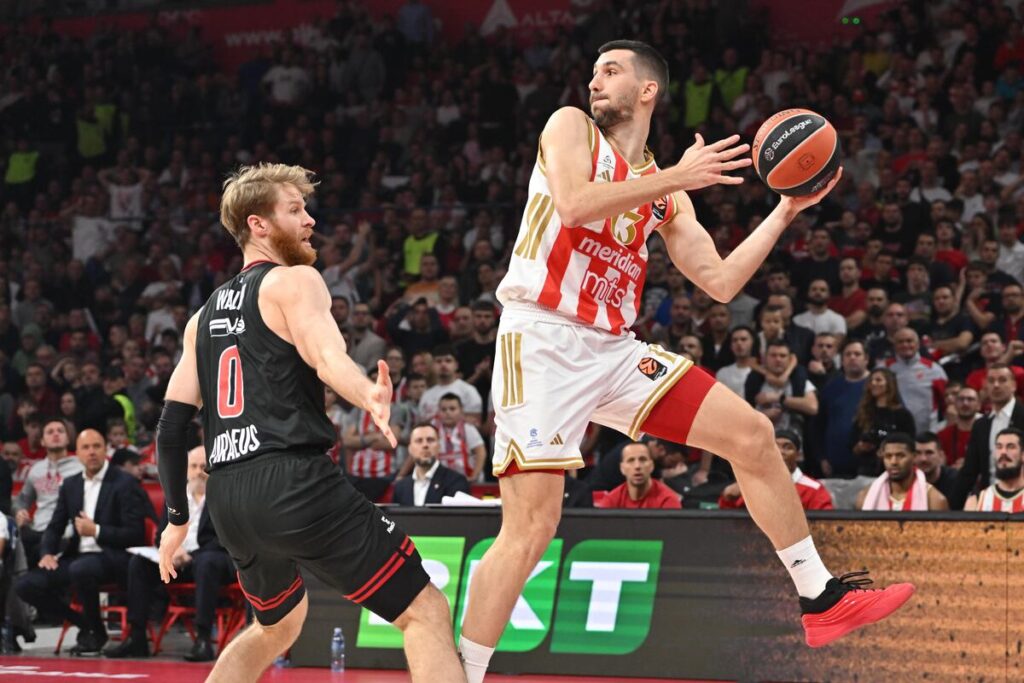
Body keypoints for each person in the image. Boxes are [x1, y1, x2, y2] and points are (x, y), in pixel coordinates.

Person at [459, 41, 911, 682]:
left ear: (647, 90)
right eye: (593, 72)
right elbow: (574, 205)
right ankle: (463, 674)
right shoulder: (571, 128)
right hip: (542, 338)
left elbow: (721, 282)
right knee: (532, 528)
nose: (595, 82)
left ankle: (820, 597)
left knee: (753, 436)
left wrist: (785, 210)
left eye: (610, 72)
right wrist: (677, 176)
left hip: (611, 349)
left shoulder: (668, 196)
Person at [155, 163, 464, 683]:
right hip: (293, 481)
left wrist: (178, 518)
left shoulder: (201, 316)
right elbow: (326, 357)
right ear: (258, 225)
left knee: (276, 625)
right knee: (424, 609)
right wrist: (367, 391)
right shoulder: (294, 281)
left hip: (230, 496)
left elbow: (170, 428)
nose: (310, 220)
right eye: (294, 210)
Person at [15, 429, 147, 655]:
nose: (92, 452)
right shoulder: (71, 485)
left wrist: (96, 530)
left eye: (96, 446)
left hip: (113, 557)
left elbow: (135, 533)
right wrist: (47, 552)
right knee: (26, 585)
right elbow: (55, 526)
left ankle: (94, 632)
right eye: (86, 448)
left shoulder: (124, 483)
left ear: (105, 450)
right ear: (77, 454)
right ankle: (87, 625)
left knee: (81, 569)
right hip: (77, 557)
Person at [106, 446, 233, 661]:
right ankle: (136, 637)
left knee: (207, 562)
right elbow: (160, 535)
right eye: (193, 466)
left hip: (212, 560)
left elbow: (227, 537)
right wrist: (173, 549)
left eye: (204, 466)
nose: (199, 471)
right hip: (178, 561)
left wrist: (193, 555)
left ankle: (203, 639)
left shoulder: (225, 495)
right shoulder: (175, 496)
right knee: (139, 563)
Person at [12, 418, 83, 567]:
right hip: (37, 530)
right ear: (43, 441)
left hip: (66, 533)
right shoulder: (36, 470)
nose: (56, 434)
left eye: (60, 431)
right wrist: (20, 511)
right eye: (50, 432)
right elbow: (21, 500)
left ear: (67, 439)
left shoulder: (81, 467)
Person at [952, 364, 1024, 509]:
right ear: (985, 387)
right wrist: (952, 508)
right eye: (991, 381)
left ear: (1014, 385)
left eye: (1002, 380)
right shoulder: (981, 425)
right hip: (989, 500)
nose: (996, 385)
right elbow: (970, 471)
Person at [719, 429, 833, 510]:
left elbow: (826, 526)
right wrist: (727, 498)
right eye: (774, 447)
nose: (780, 452)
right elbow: (727, 524)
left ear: (798, 455)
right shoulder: (751, 486)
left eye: (787, 447)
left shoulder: (813, 490)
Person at [817, 339, 870, 478]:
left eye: (857, 354)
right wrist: (822, 457)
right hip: (835, 463)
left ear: (866, 359)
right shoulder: (831, 387)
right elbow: (818, 425)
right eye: (848, 354)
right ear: (841, 359)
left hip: (869, 463)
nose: (852, 357)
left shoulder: (877, 385)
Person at [856, 433, 950, 511]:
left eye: (900, 456)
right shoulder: (865, 497)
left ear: (914, 457)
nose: (894, 462)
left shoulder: (934, 499)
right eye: (888, 456)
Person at [850, 368, 917, 476]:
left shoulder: (902, 415)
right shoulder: (864, 413)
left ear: (889, 384)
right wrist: (860, 447)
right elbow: (852, 443)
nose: (873, 383)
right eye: (871, 380)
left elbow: (910, 443)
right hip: (866, 469)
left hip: (894, 469)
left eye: (878, 380)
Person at [393, 423, 471, 506]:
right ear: (410, 449)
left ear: (439, 446)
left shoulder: (456, 482)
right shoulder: (401, 487)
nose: (425, 445)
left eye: (430, 440)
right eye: (419, 441)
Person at [595, 442, 681, 509]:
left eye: (643, 460)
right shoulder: (612, 500)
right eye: (631, 460)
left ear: (651, 466)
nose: (637, 466)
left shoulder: (667, 500)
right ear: (622, 468)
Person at [418, 345, 483, 425]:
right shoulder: (427, 395)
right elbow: (422, 424)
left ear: (456, 365)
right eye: (438, 361)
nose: (443, 365)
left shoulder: (469, 391)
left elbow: (476, 424)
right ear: (433, 366)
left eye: (448, 361)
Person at [964, 427, 1024, 512]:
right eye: (999, 447)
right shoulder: (976, 502)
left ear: (1023, 455)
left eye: (1011, 447)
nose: (1003, 452)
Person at [432, 394, 487, 481]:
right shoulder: (433, 429)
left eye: (452, 409)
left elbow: (481, 452)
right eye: (443, 409)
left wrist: (474, 475)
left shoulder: (467, 428)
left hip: (467, 479)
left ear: (461, 410)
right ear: (438, 412)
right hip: (441, 480)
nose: (448, 412)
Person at [938, 386, 980, 468]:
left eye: (970, 399)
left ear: (979, 405)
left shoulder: (987, 433)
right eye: (961, 399)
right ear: (955, 404)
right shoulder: (942, 435)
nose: (965, 403)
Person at [914, 432, 959, 504]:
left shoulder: (957, 481)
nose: (923, 459)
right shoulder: (906, 481)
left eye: (929, 453)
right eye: (918, 453)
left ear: (941, 456)